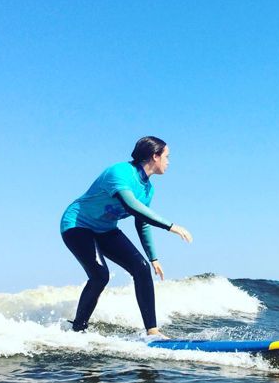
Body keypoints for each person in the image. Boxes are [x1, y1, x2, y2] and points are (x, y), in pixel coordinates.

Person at [60, 136, 192, 336]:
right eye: (167, 156)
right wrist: (170, 226)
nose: (169, 161)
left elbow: (142, 222)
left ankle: (152, 331)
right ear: (155, 156)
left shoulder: (148, 189)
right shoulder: (120, 172)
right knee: (100, 275)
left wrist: (153, 257)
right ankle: (78, 329)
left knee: (141, 268)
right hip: (78, 225)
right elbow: (131, 205)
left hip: (105, 229)